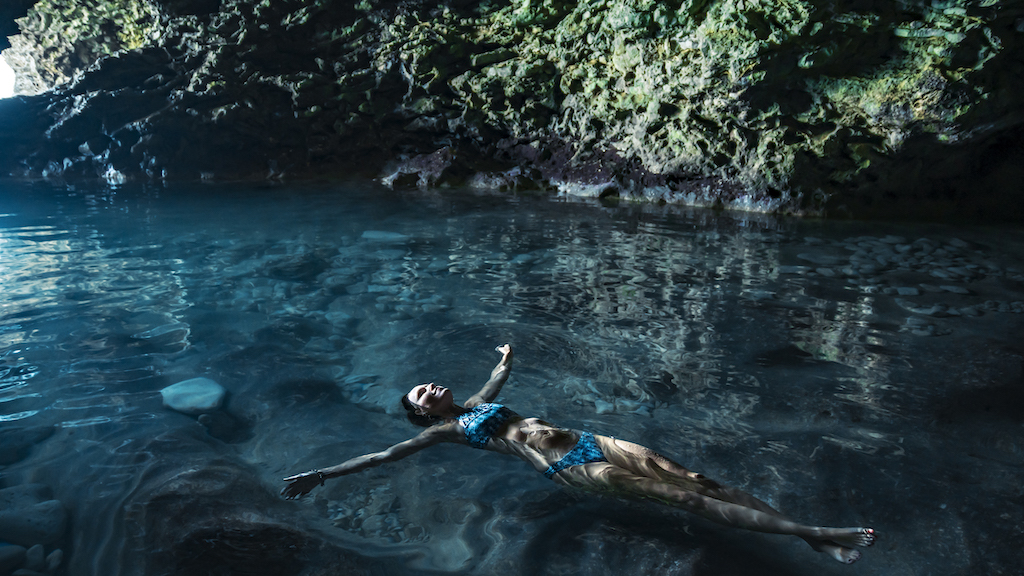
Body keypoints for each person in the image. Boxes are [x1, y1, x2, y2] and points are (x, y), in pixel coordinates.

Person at [282, 344, 877, 564]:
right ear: (422, 414)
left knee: (696, 477)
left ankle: (807, 534)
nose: (431, 388)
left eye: (430, 383)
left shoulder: (476, 400)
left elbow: (498, 378)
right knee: (686, 500)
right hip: (572, 468)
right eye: (422, 395)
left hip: (595, 439)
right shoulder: (443, 431)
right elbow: (383, 457)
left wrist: (506, 358)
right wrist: (322, 474)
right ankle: (812, 531)